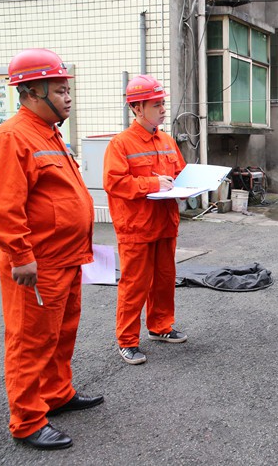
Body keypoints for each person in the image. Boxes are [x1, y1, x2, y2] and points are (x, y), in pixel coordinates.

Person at [0, 48, 104, 450]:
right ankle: (27, 420)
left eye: (68, 87)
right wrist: (21, 256)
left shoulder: (49, 134)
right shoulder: (12, 137)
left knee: (61, 335)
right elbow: (4, 207)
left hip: (66, 259)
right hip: (39, 263)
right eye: (60, 88)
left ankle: (56, 394)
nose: (69, 95)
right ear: (34, 90)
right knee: (30, 341)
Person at [103, 74, 187, 365]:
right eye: (156, 104)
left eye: (163, 103)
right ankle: (127, 340)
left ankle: (160, 327)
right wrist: (152, 185)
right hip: (136, 227)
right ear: (137, 108)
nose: (163, 109)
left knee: (164, 279)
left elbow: (179, 174)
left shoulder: (166, 140)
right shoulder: (121, 144)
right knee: (135, 284)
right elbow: (115, 183)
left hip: (164, 223)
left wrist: (189, 188)